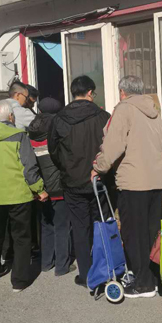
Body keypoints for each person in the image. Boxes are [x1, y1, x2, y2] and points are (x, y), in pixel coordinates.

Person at [92, 75, 162, 298]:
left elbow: (113, 144)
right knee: (150, 232)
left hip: (133, 180)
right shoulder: (154, 110)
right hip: (155, 179)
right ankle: (151, 278)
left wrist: (99, 167)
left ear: (123, 92)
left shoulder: (124, 109)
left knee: (133, 233)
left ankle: (142, 284)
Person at [0, 99, 47, 292]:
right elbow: (29, 167)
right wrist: (39, 189)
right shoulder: (20, 136)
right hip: (19, 194)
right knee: (21, 237)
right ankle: (19, 280)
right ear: (11, 117)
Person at [49, 75, 110, 288]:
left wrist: (66, 168)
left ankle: (86, 274)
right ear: (90, 92)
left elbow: (53, 151)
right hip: (99, 179)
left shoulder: (59, 119)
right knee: (102, 225)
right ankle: (106, 269)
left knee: (80, 228)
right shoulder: (103, 116)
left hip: (72, 181)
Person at [28, 97, 75, 276]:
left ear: (40, 111)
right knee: (62, 226)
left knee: (46, 225)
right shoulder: (59, 130)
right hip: (59, 187)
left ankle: (46, 263)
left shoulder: (30, 132)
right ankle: (62, 266)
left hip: (41, 188)